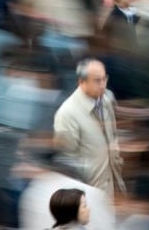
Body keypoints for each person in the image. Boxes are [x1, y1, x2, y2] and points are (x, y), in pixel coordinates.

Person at [53, 58, 126, 196]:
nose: (103, 84)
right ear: (82, 82)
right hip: (87, 193)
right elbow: (68, 162)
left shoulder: (107, 99)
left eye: (105, 79)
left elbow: (113, 137)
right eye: (97, 80)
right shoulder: (67, 113)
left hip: (111, 186)